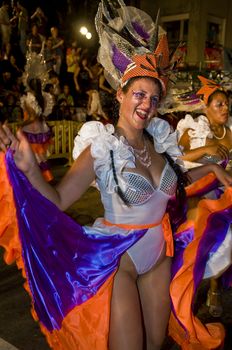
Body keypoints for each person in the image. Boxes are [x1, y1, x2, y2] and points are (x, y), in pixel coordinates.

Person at [0, 2, 232, 350]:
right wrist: (31, 168)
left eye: (154, 98)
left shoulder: (161, 141)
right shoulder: (102, 147)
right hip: (118, 258)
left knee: (154, 344)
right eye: (139, 94)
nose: (146, 104)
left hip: (158, 254)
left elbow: (177, 181)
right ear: (121, 94)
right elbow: (59, 199)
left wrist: (212, 168)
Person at [177, 75, 232, 317]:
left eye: (227, 103)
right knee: (203, 237)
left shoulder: (231, 131)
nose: (225, 108)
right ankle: (188, 289)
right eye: (218, 104)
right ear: (205, 108)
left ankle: (214, 287)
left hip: (226, 192)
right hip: (197, 193)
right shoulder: (193, 129)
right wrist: (206, 149)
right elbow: (177, 159)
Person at [20, 77, 54, 182]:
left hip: (30, 129)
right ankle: (46, 177)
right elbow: (42, 115)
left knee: (33, 154)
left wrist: (21, 125)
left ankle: (37, 178)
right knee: (40, 155)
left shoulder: (29, 99)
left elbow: (32, 117)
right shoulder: (43, 97)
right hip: (41, 128)